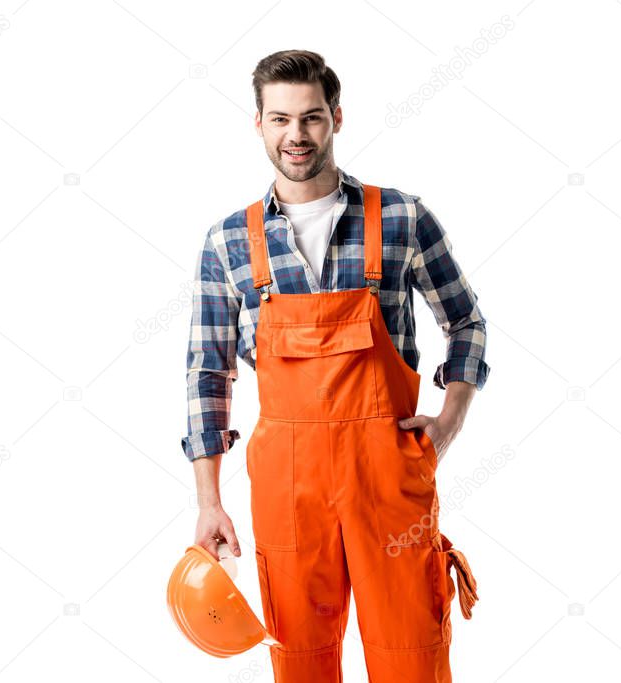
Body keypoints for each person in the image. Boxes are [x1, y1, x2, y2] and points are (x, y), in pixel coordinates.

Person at [181, 50, 488, 681]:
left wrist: (449, 421)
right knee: (300, 661)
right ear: (260, 125)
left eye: (312, 118)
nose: (297, 135)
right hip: (287, 486)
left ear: (337, 119)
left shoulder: (401, 217)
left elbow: (466, 323)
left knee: (411, 654)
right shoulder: (228, 242)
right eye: (281, 119)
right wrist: (209, 501)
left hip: (389, 476)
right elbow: (208, 373)